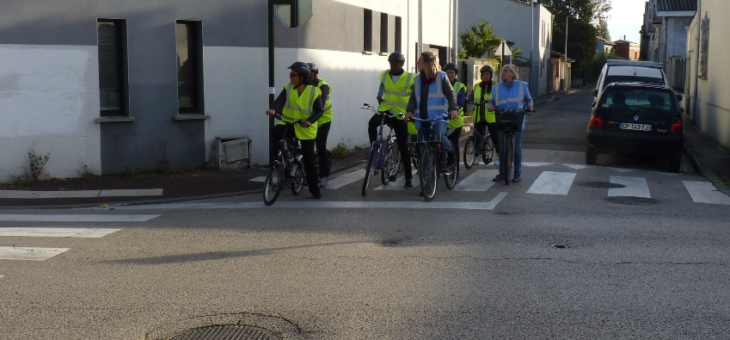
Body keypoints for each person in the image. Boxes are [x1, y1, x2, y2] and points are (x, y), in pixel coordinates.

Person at [267, 62, 324, 199]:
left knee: (309, 160)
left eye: (293, 75)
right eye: (290, 75)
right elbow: (279, 101)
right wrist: (274, 109)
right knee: (275, 132)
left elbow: (319, 111)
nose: (290, 77)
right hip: (289, 123)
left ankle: (314, 190)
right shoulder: (289, 87)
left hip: (305, 129)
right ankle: (279, 163)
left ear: (302, 77)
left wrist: (309, 121)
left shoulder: (313, 91)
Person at [369, 52, 417, 189]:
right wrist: (380, 100)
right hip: (386, 110)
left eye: (396, 63)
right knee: (372, 123)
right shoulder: (385, 75)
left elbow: (414, 96)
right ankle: (374, 148)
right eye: (391, 63)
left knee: (403, 146)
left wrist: (411, 111)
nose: (393, 65)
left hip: (400, 115)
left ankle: (408, 178)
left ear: (402, 64)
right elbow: (380, 91)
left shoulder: (410, 78)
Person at [404, 51, 458, 167]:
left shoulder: (442, 76)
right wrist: (409, 112)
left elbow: (450, 93)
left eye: (420, 60)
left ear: (428, 62)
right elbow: (413, 97)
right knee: (422, 145)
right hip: (422, 118)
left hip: (438, 117)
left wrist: (453, 109)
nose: (417, 62)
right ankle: (428, 170)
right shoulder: (418, 79)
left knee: (438, 136)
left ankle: (451, 152)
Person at [488, 64, 534, 183]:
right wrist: (491, 106)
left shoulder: (522, 86)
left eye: (506, 71)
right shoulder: (496, 87)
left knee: (517, 148)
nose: (503, 73)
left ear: (513, 74)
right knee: (502, 148)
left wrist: (530, 105)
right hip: (501, 116)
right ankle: (502, 173)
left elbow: (528, 99)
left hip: (517, 117)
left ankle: (517, 174)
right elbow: (492, 100)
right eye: (503, 71)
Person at [308, 63, 333, 188]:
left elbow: (321, 103)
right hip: (310, 120)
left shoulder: (322, 86)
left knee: (320, 147)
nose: (307, 77)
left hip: (323, 120)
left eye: (309, 75)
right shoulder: (304, 85)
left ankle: (324, 176)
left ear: (314, 75)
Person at [469, 65, 498, 155]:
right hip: (478, 116)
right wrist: (468, 99)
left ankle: (498, 154)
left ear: (491, 75)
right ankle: (477, 155)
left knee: (495, 136)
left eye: (487, 74)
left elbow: (500, 98)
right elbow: (472, 96)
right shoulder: (476, 86)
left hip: (491, 116)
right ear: (481, 75)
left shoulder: (495, 86)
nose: (485, 76)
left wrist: (493, 101)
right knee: (478, 137)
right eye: (484, 74)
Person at [444, 62, 467, 175]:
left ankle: (455, 167)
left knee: (454, 143)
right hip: (442, 118)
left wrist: (456, 107)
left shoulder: (460, 86)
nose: (449, 74)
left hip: (455, 120)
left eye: (452, 72)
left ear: (455, 74)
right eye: (447, 72)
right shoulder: (440, 85)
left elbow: (461, 101)